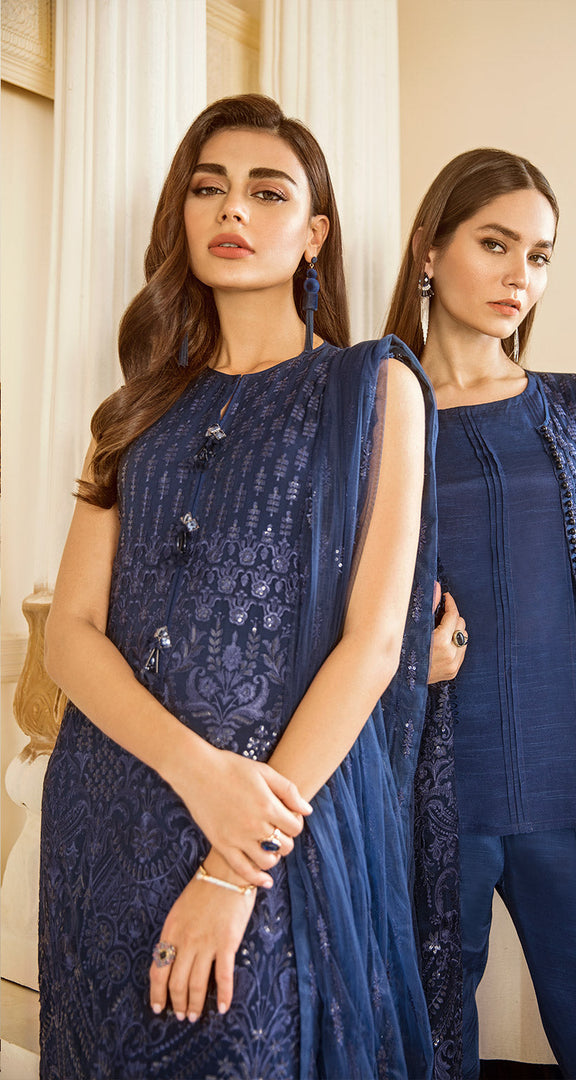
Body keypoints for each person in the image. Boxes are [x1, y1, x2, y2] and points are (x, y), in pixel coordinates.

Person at [39, 94, 439, 1080]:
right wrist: (200, 773)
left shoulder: (373, 387)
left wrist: (233, 863)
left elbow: (374, 644)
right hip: (109, 811)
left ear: (314, 233)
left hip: (273, 830)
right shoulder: (130, 412)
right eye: (208, 188)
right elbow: (71, 635)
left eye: (267, 193)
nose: (232, 210)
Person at [385, 149, 576, 1079]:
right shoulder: (374, 416)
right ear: (430, 249)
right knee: (425, 1057)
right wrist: (408, 655)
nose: (520, 274)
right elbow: (331, 604)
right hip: (430, 795)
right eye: (495, 243)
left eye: (541, 255)